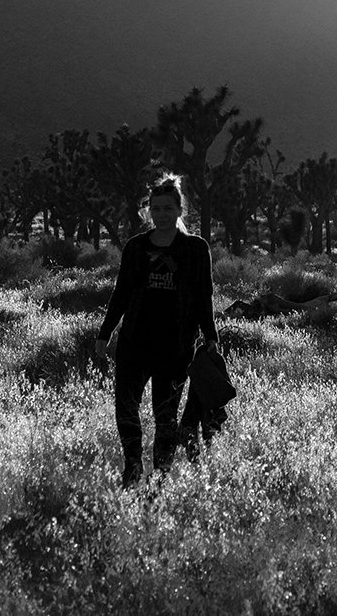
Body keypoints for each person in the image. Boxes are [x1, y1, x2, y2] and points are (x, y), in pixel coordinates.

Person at [95, 175, 218, 486]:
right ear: (148, 211)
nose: (161, 213)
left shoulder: (194, 249)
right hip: (134, 343)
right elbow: (121, 292)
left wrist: (211, 337)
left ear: (180, 210)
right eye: (155, 208)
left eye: (167, 208)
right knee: (126, 407)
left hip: (175, 347)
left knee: (166, 416)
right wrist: (104, 333)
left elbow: (205, 296)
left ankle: (160, 478)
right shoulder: (136, 248)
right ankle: (132, 466)